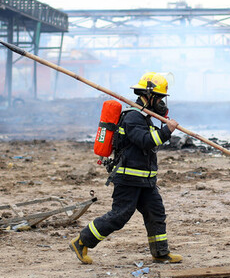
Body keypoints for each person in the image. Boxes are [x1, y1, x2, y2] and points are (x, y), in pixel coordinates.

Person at [70, 72, 182, 265]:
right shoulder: (133, 117)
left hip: (145, 180)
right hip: (128, 178)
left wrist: (162, 127)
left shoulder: (144, 118)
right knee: (119, 216)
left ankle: (160, 253)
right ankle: (82, 241)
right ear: (149, 95)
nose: (162, 102)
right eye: (160, 98)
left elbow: (149, 141)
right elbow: (146, 141)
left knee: (156, 213)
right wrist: (166, 131)